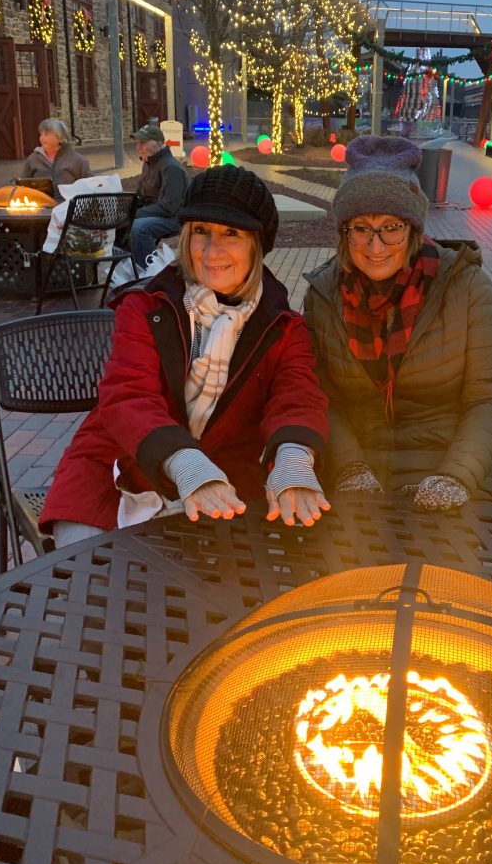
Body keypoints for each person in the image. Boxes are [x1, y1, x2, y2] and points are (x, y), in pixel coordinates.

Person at [39, 164, 330, 547]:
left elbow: (297, 396)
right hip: (120, 462)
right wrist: (184, 462)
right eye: (201, 232)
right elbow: (128, 396)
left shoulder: (284, 326)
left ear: (258, 244)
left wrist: (292, 457)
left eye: (232, 233)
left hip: (225, 475)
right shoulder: (145, 306)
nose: (212, 251)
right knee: (89, 578)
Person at [303, 135, 492, 511]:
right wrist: (348, 466)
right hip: (359, 473)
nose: (376, 246)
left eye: (392, 227)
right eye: (361, 228)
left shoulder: (464, 285)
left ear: (414, 230)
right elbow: (321, 396)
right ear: (344, 232)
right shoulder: (324, 294)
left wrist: (457, 476)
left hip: (452, 470)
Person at [129, 123, 188, 269]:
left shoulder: (171, 168)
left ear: (159, 144)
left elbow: (169, 207)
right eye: (138, 143)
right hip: (155, 213)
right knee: (120, 221)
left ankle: (149, 272)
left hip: (174, 218)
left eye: (143, 143)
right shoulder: (148, 164)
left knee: (138, 227)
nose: (138, 147)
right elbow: (140, 195)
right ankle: (127, 265)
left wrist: (134, 214)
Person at [20, 118, 90, 198]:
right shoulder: (33, 158)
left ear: (59, 136)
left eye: (46, 134)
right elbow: (23, 184)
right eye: (41, 134)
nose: (42, 138)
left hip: (67, 206)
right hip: (41, 205)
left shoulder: (77, 160)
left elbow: (90, 186)